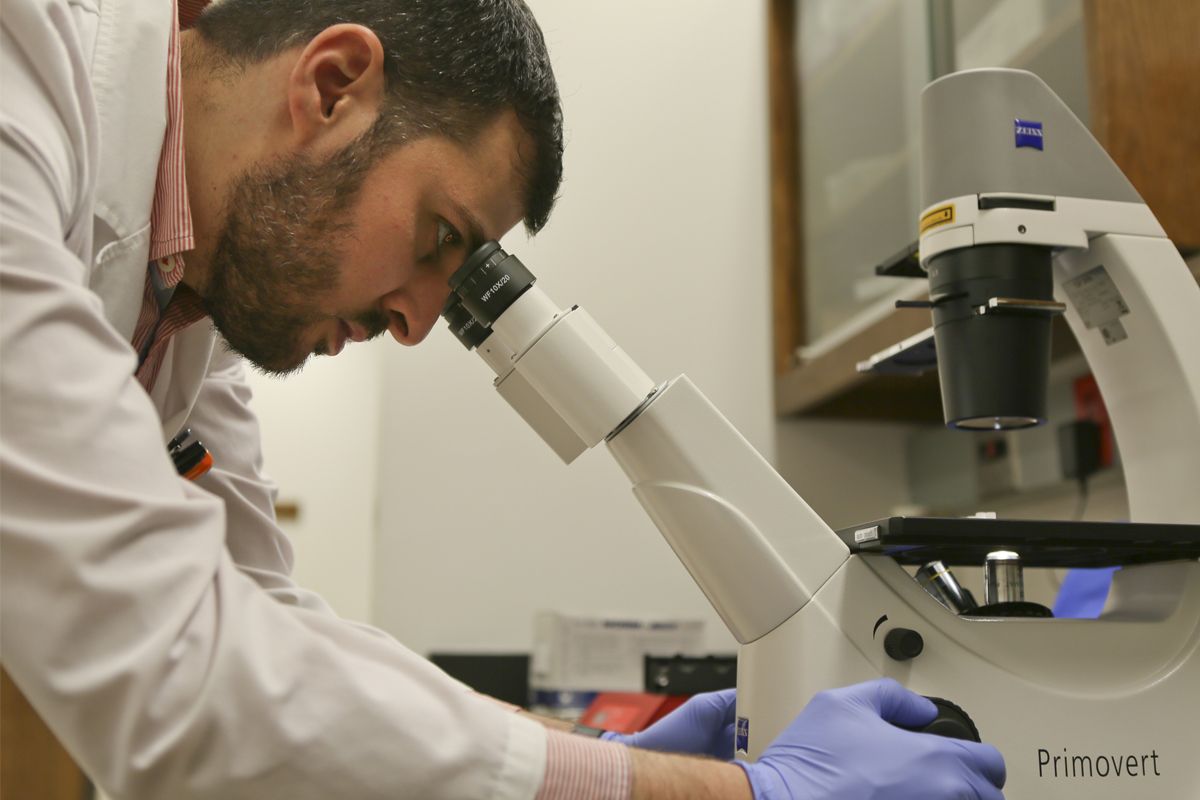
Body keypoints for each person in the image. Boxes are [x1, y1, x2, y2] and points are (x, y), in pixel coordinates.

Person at [0, 0, 1007, 797]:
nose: (418, 324)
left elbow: (268, 625)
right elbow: (184, 680)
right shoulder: (23, 99)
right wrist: (725, 795)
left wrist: (589, 744)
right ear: (333, 83)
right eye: (440, 236)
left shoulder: (186, 307)